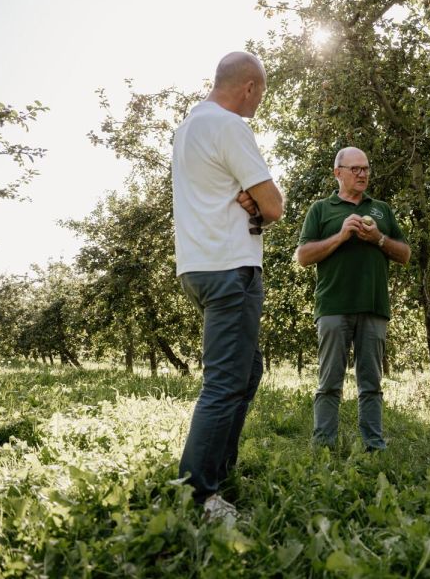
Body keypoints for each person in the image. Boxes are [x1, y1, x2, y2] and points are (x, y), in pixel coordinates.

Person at [172, 52, 284, 521]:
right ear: (250, 87)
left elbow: (240, 199)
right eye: (261, 94)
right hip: (230, 268)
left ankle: (220, 468)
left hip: (197, 267)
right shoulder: (230, 125)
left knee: (248, 369)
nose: (259, 102)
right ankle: (199, 494)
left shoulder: (187, 129)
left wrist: (249, 204)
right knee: (224, 382)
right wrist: (259, 204)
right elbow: (275, 205)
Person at [295, 147, 410, 451]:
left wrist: (379, 239)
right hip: (333, 307)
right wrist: (341, 236)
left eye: (366, 169)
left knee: (371, 385)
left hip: (373, 308)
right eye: (355, 169)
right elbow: (303, 256)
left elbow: (405, 254)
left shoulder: (381, 210)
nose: (362, 174)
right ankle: (323, 446)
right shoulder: (321, 209)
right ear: (338, 173)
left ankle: (374, 446)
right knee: (329, 382)